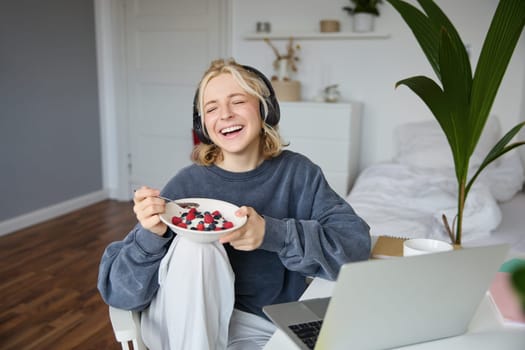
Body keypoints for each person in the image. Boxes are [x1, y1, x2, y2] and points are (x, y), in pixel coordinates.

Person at [98, 58, 371, 349]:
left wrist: (271, 233)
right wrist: (149, 236)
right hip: (181, 324)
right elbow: (119, 293)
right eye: (211, 108)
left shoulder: (299, 175)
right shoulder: (185, 187)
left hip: (258, 325)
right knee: (196, 246)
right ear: (203, 125)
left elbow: (355, 246)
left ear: (265, 109)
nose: (225, 114)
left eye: (237, 101)